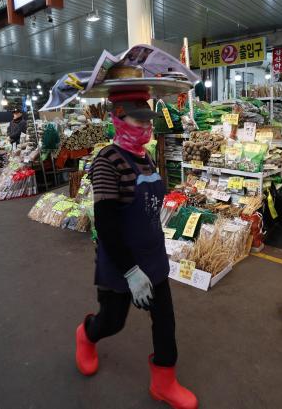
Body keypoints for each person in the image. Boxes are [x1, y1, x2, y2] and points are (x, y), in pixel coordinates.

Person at [75, 93, 198, 409]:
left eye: (148, 120)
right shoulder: (106, 162)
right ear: (118, 117)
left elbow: (149, 203)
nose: (146, 126)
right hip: (121, 262)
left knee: (165, 321)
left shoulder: (146, 155)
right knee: (114, 321)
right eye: (138, 119)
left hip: (153, 256)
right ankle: (87, 334)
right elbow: (107, 224)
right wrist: (130, 271)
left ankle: (164, 382)